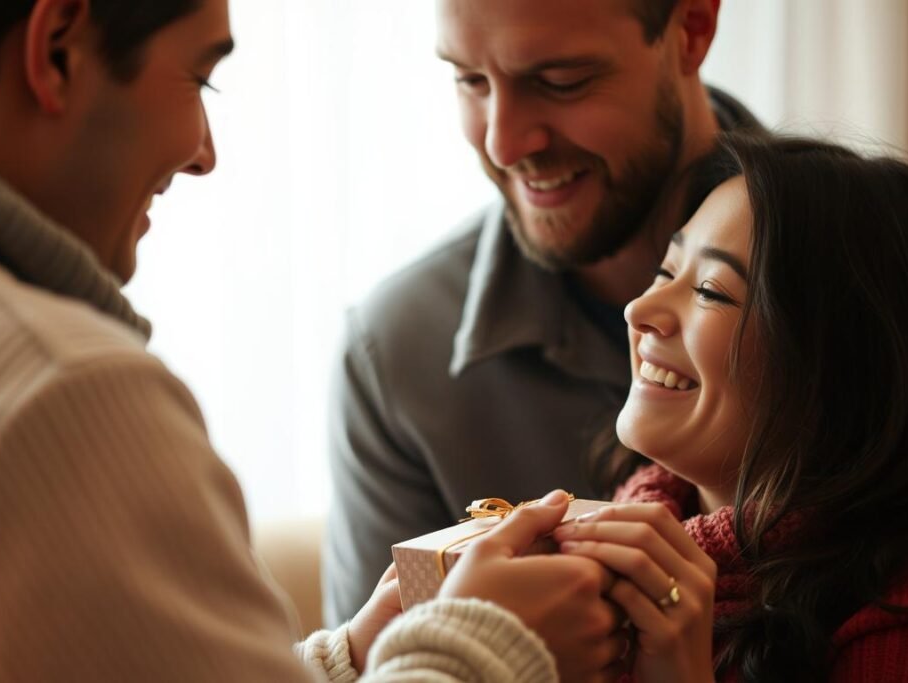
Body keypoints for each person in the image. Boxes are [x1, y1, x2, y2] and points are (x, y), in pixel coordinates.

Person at [0, 1, 626, 680]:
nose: (205, 154)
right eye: (201, 79)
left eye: (564, 79)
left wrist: (349, 660)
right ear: (55, 51)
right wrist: (485, 646)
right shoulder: (62, 388)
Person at [325, 0, 769, 626]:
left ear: (691, 30)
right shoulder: (396, 352)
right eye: (470, 80)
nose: (503, 144)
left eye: (562, 82)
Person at [548, 135, 908, 680]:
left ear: (846, 369)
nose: (640, 309)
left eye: (711, 290)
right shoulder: (624, 529)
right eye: (667, 272)